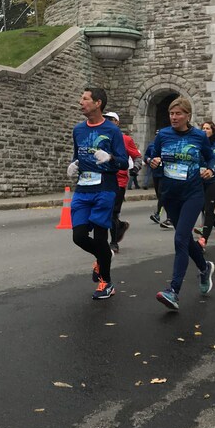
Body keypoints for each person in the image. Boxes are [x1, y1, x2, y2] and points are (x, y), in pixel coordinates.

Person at [149, 97, 215, 311]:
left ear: (188, 115)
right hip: (170, 195)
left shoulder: (198, 136)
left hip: (193, 194)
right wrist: (153, 161)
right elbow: (151, 155)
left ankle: (174, 291)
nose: (174, 117)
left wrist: (210, 169)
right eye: (171, 114)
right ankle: (204, 268)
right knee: (185, 238)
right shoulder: (163, 135)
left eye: (178, 114)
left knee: (179, 239)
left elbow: (211, 158)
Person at [66, 88, 127, 300]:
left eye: (85, 99)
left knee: (101, 236)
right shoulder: (78, 130)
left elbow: (124, 162)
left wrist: (110, 158)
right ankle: (103, 254)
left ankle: (106, 283)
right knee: (79, 237)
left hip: (105, 189)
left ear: (98, 103)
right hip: (83, 189)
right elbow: (77, 155)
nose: (80, 102)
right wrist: (74, 164)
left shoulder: (112, 131)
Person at [103, 111, 141, 253]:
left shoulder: (125, 139)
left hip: (119, 180)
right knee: (104, 211)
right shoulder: (101, 138)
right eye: (105, 119)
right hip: (103, 179)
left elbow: (137, 156)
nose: (107, 121)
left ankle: (113, 243)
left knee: (113, 212)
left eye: (110, 119)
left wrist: (135, 168)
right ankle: (121, 225)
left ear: (117, 122)